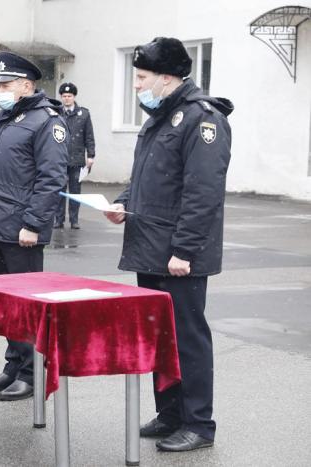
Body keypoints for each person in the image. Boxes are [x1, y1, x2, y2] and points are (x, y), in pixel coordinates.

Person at [104, 37, 233, 452]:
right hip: (150, 246)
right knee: (160, 337)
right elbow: (149, 178)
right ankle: (171, 414)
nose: (136, 85)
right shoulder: (161, 117)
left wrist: (185, 251)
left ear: (166, 78)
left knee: (188, 339)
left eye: (141, 77)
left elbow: (203, 193)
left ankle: (198, 424)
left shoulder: (202, 119)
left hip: (179, 254)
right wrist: (123, 203)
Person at [0, 51, 68, 401]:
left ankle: (33, 373)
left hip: (23, 227)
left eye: (6, 85)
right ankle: (14, 365)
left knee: (28, 304)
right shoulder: (3, 117)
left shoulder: (45, 121)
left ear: (26, 85)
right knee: (8, 303)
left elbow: (52, 177)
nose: (0, 90)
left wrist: (34, 223)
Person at [54, 82, 95, 229]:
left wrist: (91, 155)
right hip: (60, 159)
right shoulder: (56, 113)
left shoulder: (84, 114)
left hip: (77, 160)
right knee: (60, 191)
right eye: (64, 96)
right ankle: (58, 220)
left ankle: (74, 220)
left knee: (75, 192)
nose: (67, 98)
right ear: (61, 97)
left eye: (69, 96)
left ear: (74, 96)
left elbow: (89, 136)